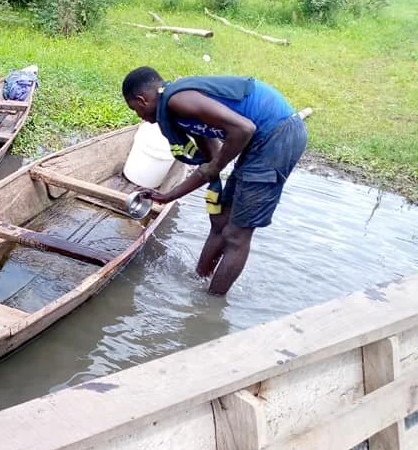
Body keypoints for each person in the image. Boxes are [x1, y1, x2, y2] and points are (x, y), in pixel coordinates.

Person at [121, 67, 307, 296]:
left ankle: (210, 305)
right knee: (220, 224)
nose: (140, 117)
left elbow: (243, 129)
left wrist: (216, 167)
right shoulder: (180, 113)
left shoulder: (178, 100)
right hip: (260, 140)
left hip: (277, 136)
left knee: (236, 234)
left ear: (143, 99)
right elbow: (210, 162)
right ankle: (199, 281)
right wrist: (168, 196)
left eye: (135, 109)